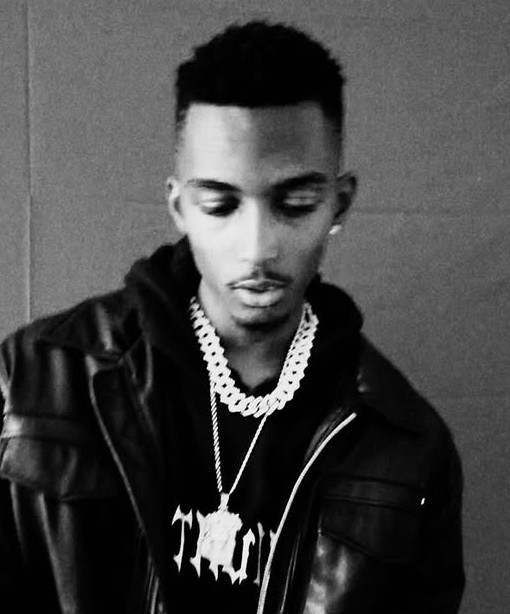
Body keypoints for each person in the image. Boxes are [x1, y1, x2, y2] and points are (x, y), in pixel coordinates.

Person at [0, 20, 464, 614]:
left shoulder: (408, 448)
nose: (257, 247)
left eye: (296, 204)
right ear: (179, 206)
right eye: (220, 205)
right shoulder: (34, 383)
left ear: (339, 204)